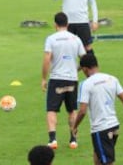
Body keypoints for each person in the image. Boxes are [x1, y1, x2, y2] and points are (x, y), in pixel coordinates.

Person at [73, 54, 123, 165]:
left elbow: (82, 111)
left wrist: (75, 126)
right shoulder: (112, 79)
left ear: (85, 69)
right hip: (114, 126)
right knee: (98, 155)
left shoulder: (86, 84)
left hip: (101, 129)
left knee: (107, 162)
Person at [41, 12, 86, 150]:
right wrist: (76, 68)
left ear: (55, 25)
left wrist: (43, 78)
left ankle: (52, 139)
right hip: (72, 80)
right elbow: (85, 60)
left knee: (52, 110)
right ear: (67, 24)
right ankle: (73, 139)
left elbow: (47, 58)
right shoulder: (76, 39)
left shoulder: (51, 39)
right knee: (72, 110)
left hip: (56, 79)